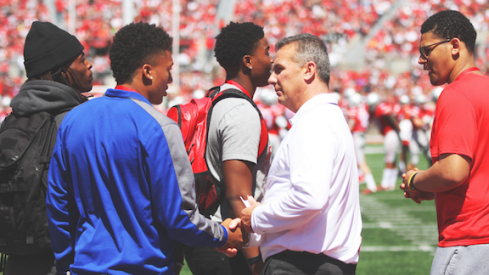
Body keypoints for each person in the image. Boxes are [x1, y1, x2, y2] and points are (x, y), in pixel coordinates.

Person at [46, 22, 244, 275]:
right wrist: (223, 235)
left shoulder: (74, 120)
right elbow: (179, 218)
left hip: (85, 268)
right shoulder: (160, 127)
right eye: (169, 70)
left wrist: (66, 263)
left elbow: (58, 206)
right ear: (148, 71)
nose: (171, 80)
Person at [237, 33, 362, 275]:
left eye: (280, 69)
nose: (272, 78)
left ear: (308, 71)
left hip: (302, 265)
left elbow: (309, 198)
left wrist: (257, 216)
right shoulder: (322, 118)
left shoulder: (314, 122)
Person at [401, 10, 489, 275]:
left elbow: (453, 172)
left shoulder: (456, 93)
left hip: (469, 239)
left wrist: (414, 181)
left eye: (426, 50)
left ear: (454, 46)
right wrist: (433, 186)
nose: (421, 60)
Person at [3, 21, 93, 275]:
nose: (89, 65)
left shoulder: (11, 121)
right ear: (63, 71)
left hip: (16, 261)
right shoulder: (79, 120)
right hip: (69, 260)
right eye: (81, 59)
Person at [183, 21, 273, 275]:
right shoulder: (240, 111)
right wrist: (255, 262)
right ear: (248, 60)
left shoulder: (217, 97)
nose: (271, 59)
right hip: (229, 241)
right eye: (266, 52)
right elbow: (238, 196)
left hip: (213, 234)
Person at [366, 92, 401, 191]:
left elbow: (391, 116)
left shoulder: (381, 107)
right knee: (392, 159)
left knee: (389, 159)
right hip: (389, 134)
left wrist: (398, 129)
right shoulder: (376, 109)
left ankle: (385, 183)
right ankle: (391, 184)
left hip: (391, 134)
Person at [346, 92, 377, 195]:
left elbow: (351, 125)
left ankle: (371, 185)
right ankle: (359, 180)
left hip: (356, 136)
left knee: (361, 162)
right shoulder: (363, 109)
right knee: (360, 160)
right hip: (362, 135)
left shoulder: (354, 110)